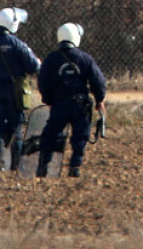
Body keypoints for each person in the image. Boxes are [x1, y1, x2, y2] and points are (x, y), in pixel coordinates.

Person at [36, 23, 107, 178]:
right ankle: (75, 166)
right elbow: (98, 81)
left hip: (59, 104)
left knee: (51, 133)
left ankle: (43, 166)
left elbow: (42, 81)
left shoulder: (51, 59)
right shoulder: (85, 58)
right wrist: (99, 100)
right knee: (80, 135)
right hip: (80, 105)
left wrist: (48, 99)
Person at [0, 7, 41, 171]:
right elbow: (33, 66)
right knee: (16, 128)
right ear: (12, 24)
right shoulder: (17, 44)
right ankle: (16, 166)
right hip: (15, 92)